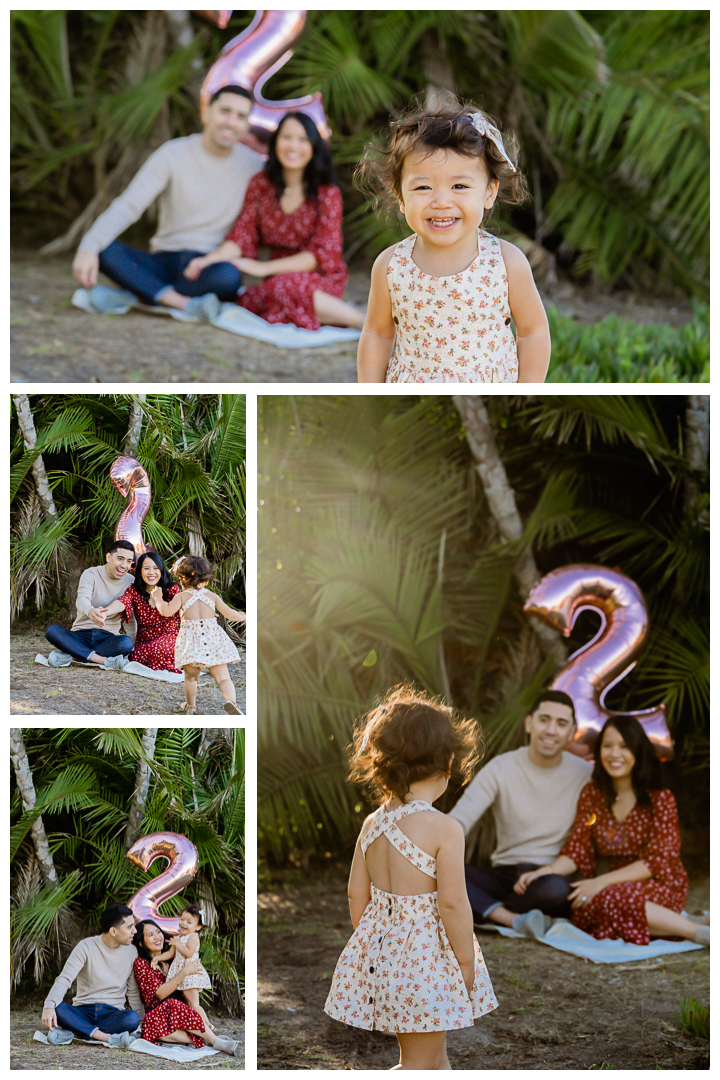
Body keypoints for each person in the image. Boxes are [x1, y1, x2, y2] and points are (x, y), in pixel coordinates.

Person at [324, 686, 498, 1072]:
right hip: (428, 967)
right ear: (446, 762)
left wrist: (376, 948)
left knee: (434, 1060)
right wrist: (465, 963)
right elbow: (452, 903)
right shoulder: (443, 828)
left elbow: (357, 894)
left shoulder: (372, 824)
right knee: (417, 1065)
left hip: (389, 963)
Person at [354, 95, 550, 383]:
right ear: (400, 197)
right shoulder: (390, 266)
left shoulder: (506, 263)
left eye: (459, 185)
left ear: (489, 192)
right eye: (423, 187)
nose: (442, 201)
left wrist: (526, 393)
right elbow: (377, 333)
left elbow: (533, 331)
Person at [514, 716, 710, 947]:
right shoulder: (593, 795)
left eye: (624, 746)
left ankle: (698, 932)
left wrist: (601, 883)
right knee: (586, 907)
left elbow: (658, 861)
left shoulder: (660, 797)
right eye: (607, 745)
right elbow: (578, 849)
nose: (614, 754)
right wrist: (545, 872)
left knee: (607, 898)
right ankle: (678, 923)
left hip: (659, 882)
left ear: (638, 750)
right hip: (613, 885)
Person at [71, 86, 263, 311]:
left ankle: (147, 292)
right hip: (163, 260)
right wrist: (88, 246)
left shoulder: (254, 167)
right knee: (104, 249)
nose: (231, 122)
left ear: (247, 125)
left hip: (208, 266)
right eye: (225, 111)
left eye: (241, 116)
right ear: (207, 112)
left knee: (228, 277)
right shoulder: (173, 154)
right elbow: (130, 205)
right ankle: (181, 303)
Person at [188, 111, 364, 330]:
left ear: (314, 147)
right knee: (249, 301)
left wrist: (263, 268)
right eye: (286, 137)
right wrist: (208, 260)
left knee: (285, 287)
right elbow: (242, 235)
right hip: (275, 279)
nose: (293, 146)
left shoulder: (326, 192)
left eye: (302, 139)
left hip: (319, 276)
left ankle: (365, 323)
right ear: (276, 141)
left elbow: (321, 255)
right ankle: (329, 314)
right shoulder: (261, 185)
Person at [449, 690, 592, 928]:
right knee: (437, 870)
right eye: (544, 719)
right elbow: (459, 820)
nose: (551, 730)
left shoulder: (585, 775)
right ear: (529, 723)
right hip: (502, 875)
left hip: (549, 877)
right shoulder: (502, 767)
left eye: (561, 723)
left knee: (556, 890)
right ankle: (509, 917)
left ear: (571, 732)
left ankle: (482, 906)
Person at [151, 555, 245, 715]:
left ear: (181, 580)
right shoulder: (212, 596)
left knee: (191, 678)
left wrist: (158, 598)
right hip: (213, 641)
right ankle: (232, 703)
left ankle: (191, 706)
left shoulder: (181, 597)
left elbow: (166, 611)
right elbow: (231, 614)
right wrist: (244, 616)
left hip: (192, 644)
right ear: (207, 580)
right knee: (223, 678)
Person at [41, 903, 141, 1048]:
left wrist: (142, 1022)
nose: (134, 930)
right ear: (113, 931)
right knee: (58, 1008)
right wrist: (49, 1005)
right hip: (83, 1010)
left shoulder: (132, 952)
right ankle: (104, 1037)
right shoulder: (86, 946)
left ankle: (76, 1032)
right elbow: (65, 978)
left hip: (112, 1014)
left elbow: (132, 990)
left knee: (132, 1019)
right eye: (129, 926)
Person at [133, 919, 239, 1055]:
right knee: (168, 1007)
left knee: (186, 1005)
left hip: (181, 1016)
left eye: (158, 932)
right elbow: (160, 994)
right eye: (150, 935)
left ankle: (207, 1039)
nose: (157, 937)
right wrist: (185, 972)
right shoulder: (141, 963)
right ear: (141, 943)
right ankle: (214, 1040)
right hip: (158, 1018)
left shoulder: (174, 959)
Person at [45, 540, 136, 669]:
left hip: (108, 637)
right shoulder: (91, 573)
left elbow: (130, 615)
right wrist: (90, 611)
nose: (124, 565)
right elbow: (82, 599)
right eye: (120, 559)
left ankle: (74, 655)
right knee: (52, 631)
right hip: (81, 634)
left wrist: (134, 642)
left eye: (129, 561)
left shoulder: (131, 582)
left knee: (126, 643)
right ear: (108, 557)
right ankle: (101, 660)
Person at [99, 552, 182, 672]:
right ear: (140, 571)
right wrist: (105, 612)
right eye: (146, 568)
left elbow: (187, 606)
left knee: (162, 649)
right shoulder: (135, 590)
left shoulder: (171, 589)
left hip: (168, 636)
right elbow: (122, 602)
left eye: (155, 568)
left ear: (161, 570)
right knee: (135, 656)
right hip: (144, 641)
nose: (151, 573)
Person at [152, 904, 212, 1022]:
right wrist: (157, 958)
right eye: (182, 919)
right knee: (189, 1003)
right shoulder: (178, 937)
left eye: (189, 922)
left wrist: (177, 944)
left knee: (194, 1003)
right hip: (182, 973)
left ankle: (207, 1025)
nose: (184, 923)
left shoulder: (193, 937)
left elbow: (189, 953)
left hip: (190, 972)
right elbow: (170, 954)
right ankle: (199, 1025)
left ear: (198, 927)